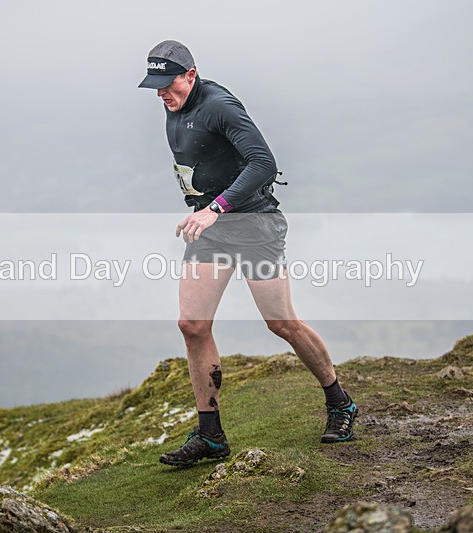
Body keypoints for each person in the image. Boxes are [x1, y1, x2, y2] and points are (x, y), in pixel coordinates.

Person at [138, 40, 357, 467]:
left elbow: (263, 164)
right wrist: (206, 212)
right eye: (156, 86)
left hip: (253, 225)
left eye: (169, 84)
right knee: (192, 325)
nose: (162, 93)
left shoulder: (220, 105)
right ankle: (211, 434)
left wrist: (217, 207)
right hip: (211, 229)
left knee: (281, 323)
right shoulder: (173, 108)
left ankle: (340, 402)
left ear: (191, 75)